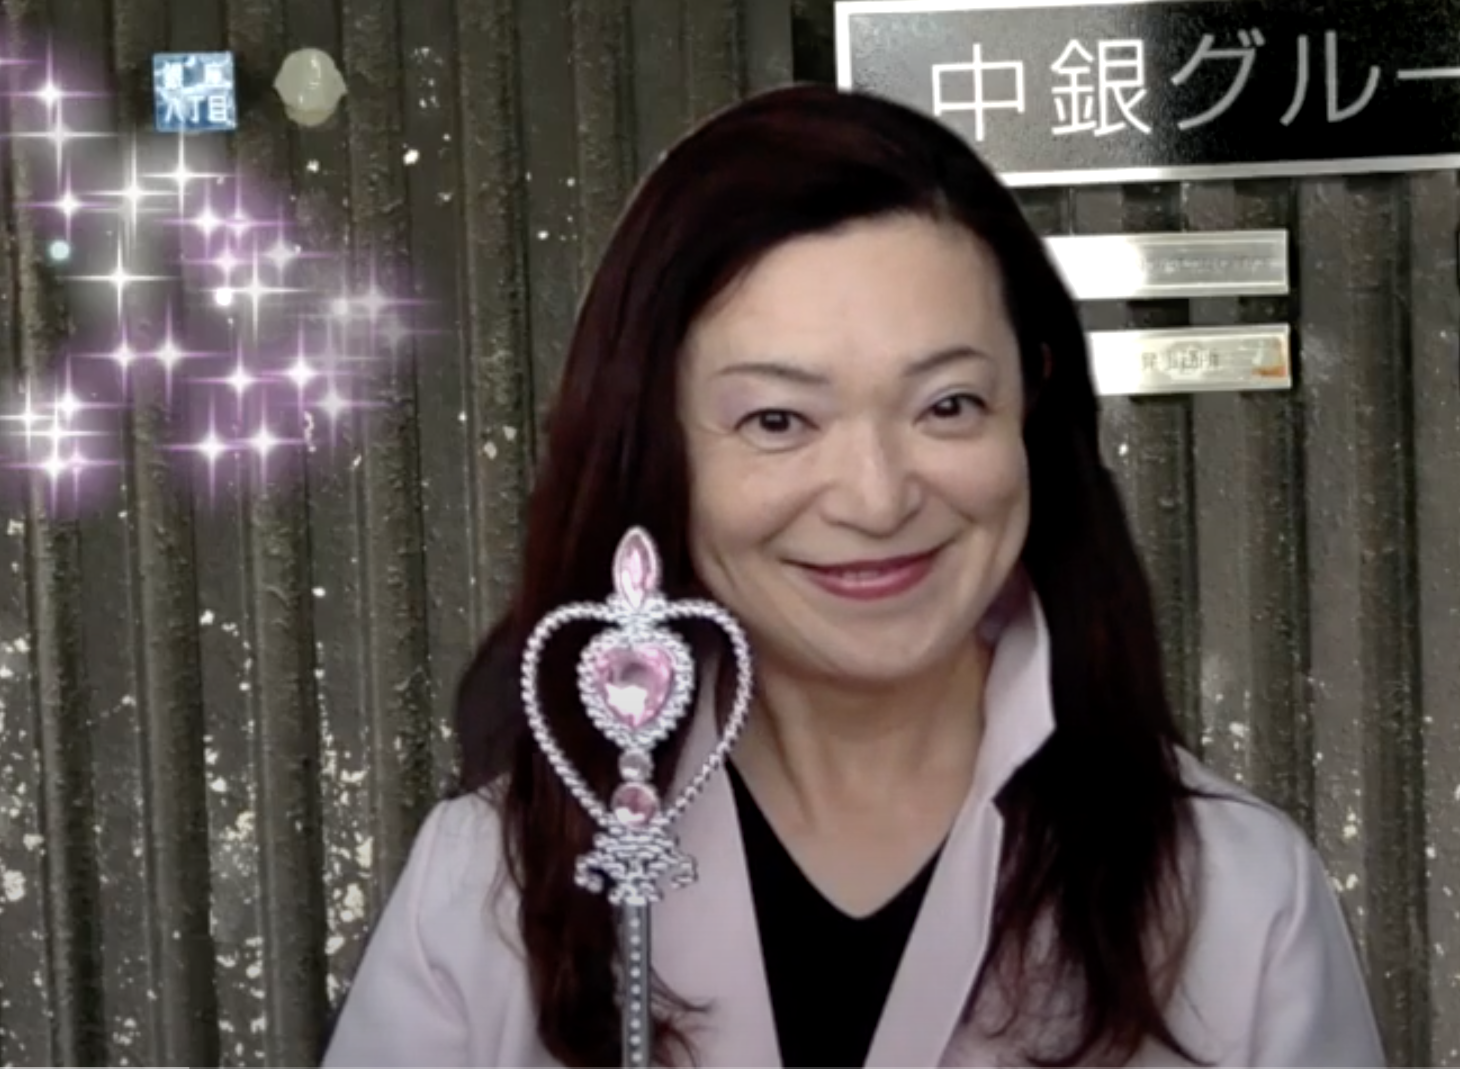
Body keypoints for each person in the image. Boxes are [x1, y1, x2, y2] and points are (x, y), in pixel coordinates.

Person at [322, 83, 1385, 1068]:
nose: (876, 498)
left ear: (1031, 401)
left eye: (948, 404)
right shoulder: (490, 890)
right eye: (777, 419)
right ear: (658, 446)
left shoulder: (1235, 895)